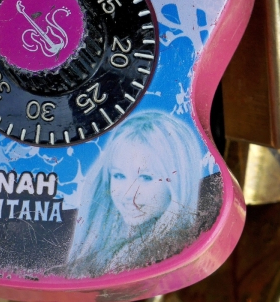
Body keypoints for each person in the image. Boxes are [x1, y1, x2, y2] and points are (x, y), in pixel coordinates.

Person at [65, 111, 211, 278]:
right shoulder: (101, 245)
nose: (128, 194)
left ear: (178, 181)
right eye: (119, 175)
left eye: (146, 177)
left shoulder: (176, 250)